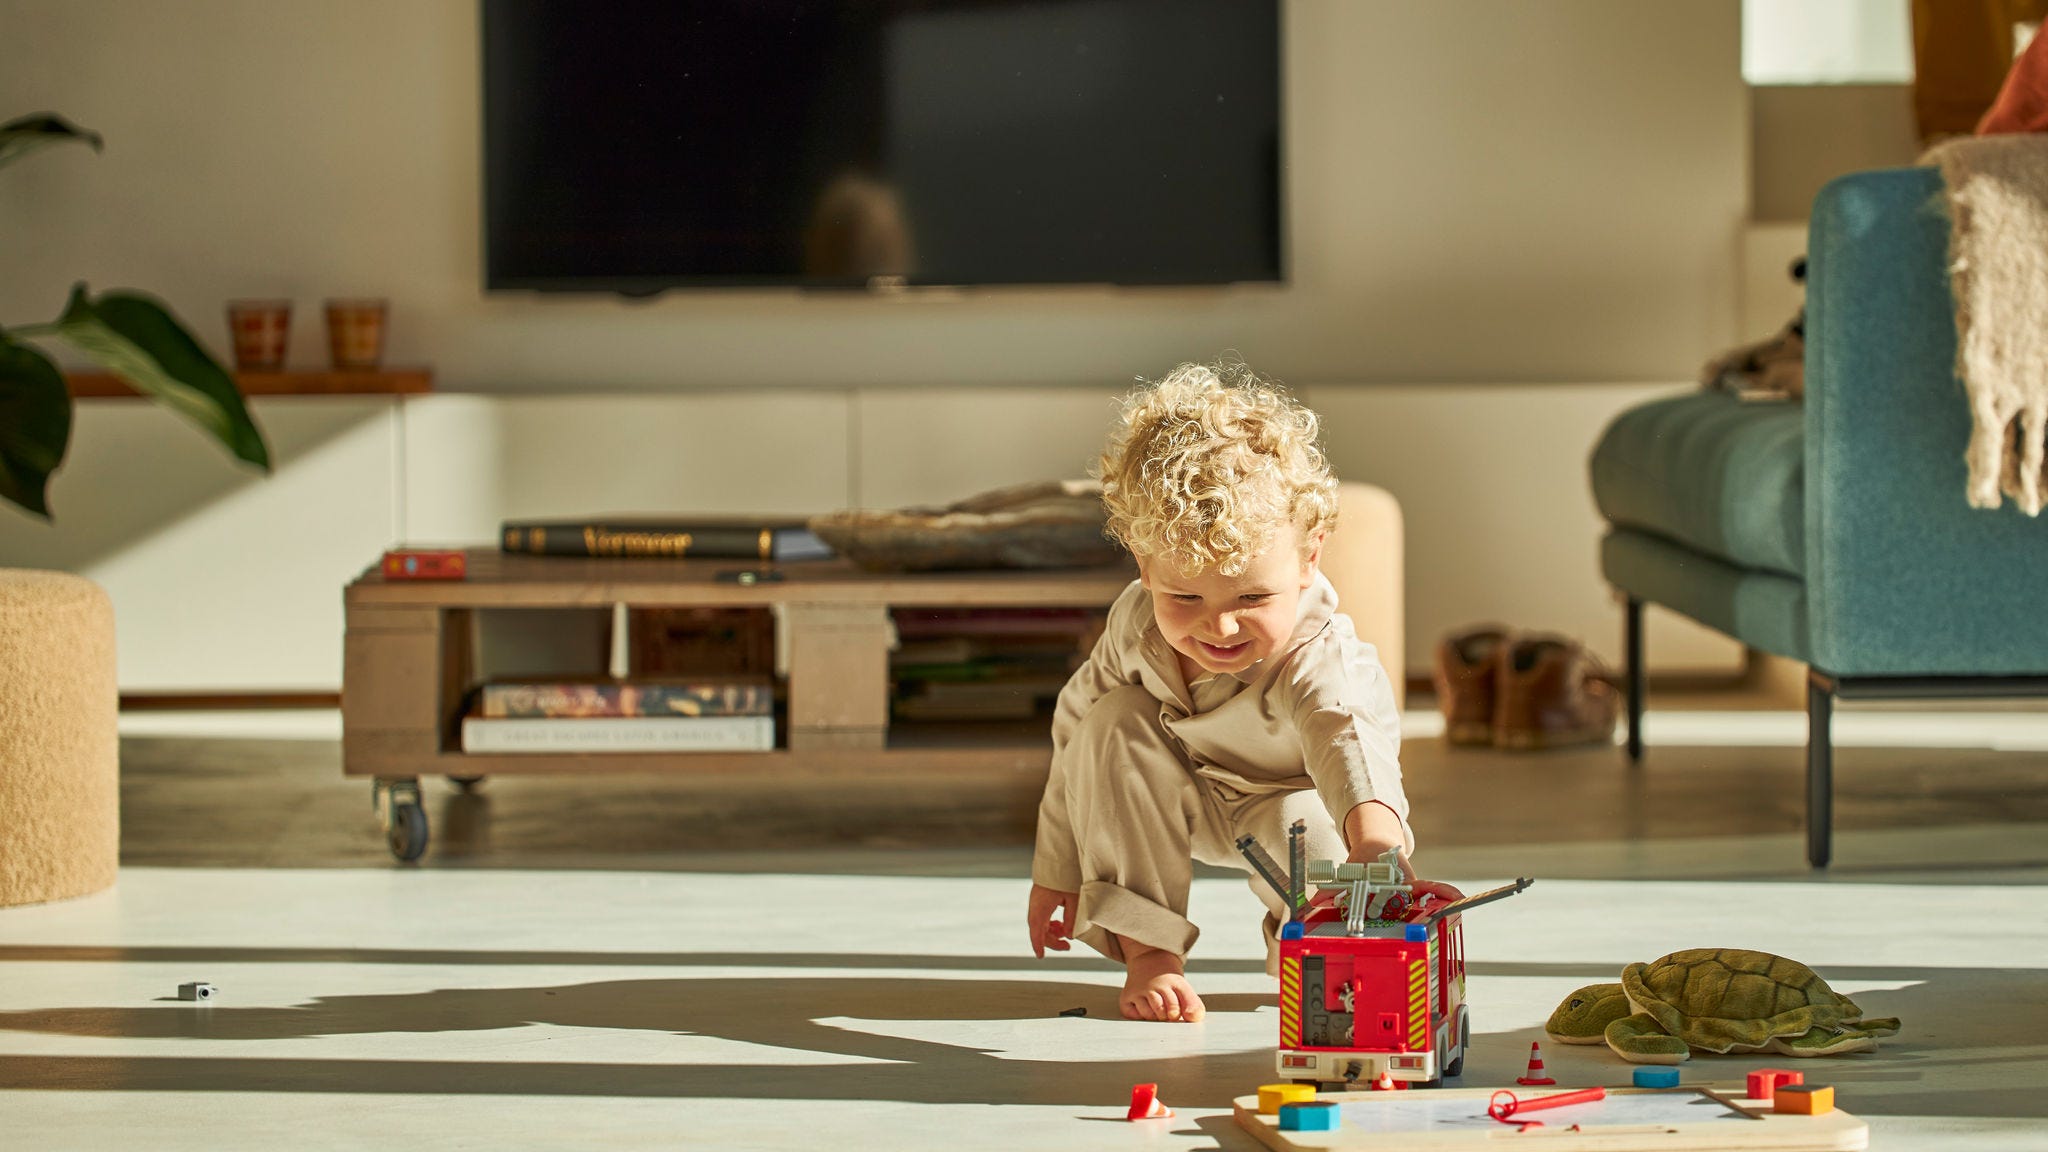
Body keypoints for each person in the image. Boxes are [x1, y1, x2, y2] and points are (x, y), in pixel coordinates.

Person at [1024, 359, 1463, 1023]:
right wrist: (1054, 868)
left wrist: (1375, 842)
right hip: (1174, 797)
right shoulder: (1133, 627)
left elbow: (1346, 734)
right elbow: (1075, 738)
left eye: (1253, 596)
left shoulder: (1319, 654)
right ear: (1145, 567)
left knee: (1323, 854)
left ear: (1309, 557)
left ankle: (1317, 961)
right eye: (1185, 596)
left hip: (1289, 804)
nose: (1220, 625)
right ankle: (1152, 955)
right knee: (1109, 720)